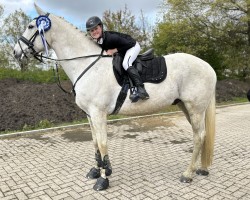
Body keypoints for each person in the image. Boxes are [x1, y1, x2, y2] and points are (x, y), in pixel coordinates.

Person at [86, 16, 149, 101]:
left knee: (126, 63)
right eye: (92, 30)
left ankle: (141, 89)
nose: (94, 32)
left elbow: (129, 43)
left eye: (96, 28)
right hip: (123, 49)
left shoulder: (111, 37)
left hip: (132, 46)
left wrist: (114, 50)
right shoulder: (99, 40)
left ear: (101, 27)